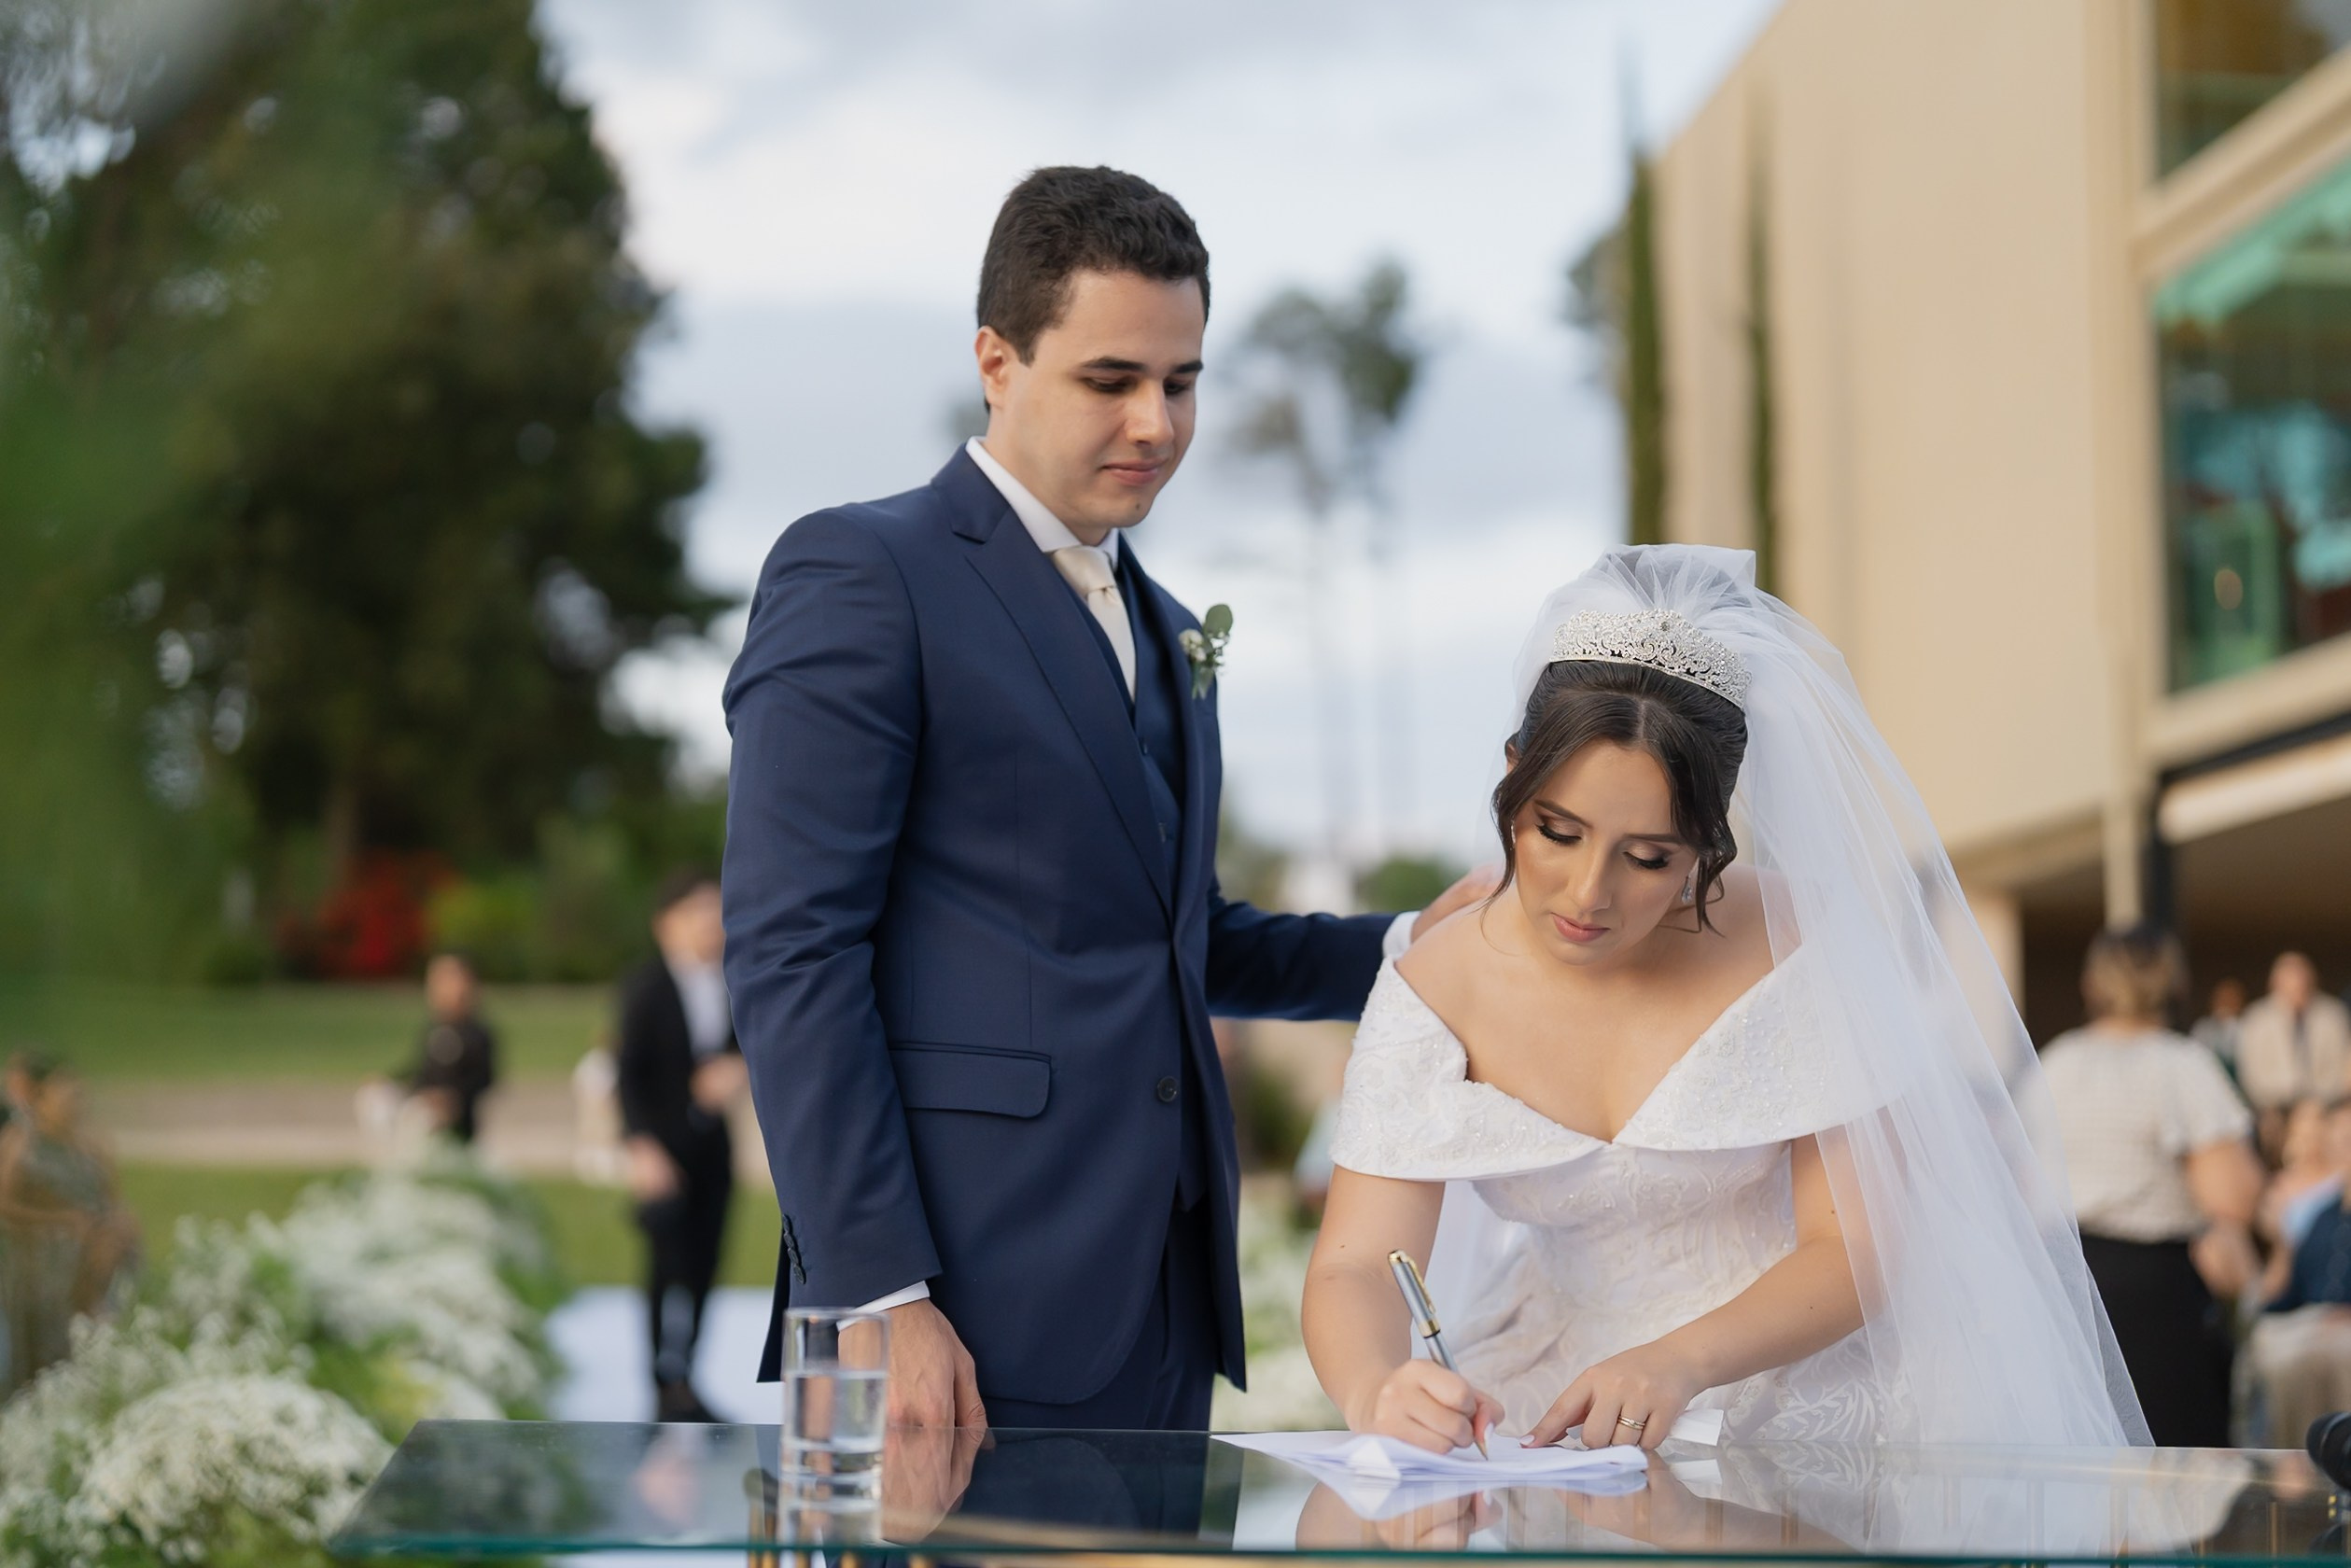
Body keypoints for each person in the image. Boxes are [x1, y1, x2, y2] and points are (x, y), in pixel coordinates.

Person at [722, 165, 1490, 1433]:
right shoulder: (863, 572)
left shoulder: (1174, 631)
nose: (1157, 423)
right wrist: (878, 1299)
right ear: (996, 360)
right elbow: (792, 950)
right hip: (944, 1313)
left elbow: (1176, 940)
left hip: (1158, 1312)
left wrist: (1430, 948)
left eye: (1181, 382)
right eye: (1110, 380)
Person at [1301, 544, 2147, 1452]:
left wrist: (1680, 1361)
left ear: (1709, 839)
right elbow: (1352, 1265)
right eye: (1557, 832)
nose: (1588, 893)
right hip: (1546, 1400)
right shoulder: (1433, 988)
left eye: (1650, 857)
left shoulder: (1802, 944)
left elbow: (1855, 1246)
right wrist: (1374, 1389)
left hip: (1802, 1381)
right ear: (1511, 774)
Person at [2037, 927, 2264, 1446]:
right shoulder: (2179, 1064)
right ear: (2173, 980)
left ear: (2091, 983)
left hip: (2061, 1285)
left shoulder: (2055, 1063)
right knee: (2169, 1469)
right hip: (2152, 1294)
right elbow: (2231, 1196)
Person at [616, 871, 746, 1423]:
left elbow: (746, 1048)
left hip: (712, 1149)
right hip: (662, 1153)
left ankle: (687, 1376)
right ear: (666, 924)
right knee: (663, 1266)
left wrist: (735, 1070)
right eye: (697, 911)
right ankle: (660, 1380)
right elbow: (626, 1074)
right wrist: (641, 1147)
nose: (709, 924)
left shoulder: (735, 982)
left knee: (706, 1264)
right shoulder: (645, 986)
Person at [0, 1055, 140, 1395]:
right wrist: (61, 1221)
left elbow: (112, 1200)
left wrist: (117, 1225)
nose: (72, 1104)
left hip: (89, 1258)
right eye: (62, 1097)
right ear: (41, 1101)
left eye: (77, 1096)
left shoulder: (93, 1146)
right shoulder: (22, 1143)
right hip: (35, 1261)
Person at [2248, 1100, 2351, 1445]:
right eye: (2335, 1136)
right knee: (2279, 1349)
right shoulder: (2321, 1216)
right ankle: (2296, 1462)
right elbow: (2286, 1291)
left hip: (2338, 1330)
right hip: (2311, 1322)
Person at [2238, 952, 2351, 1155]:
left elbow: (2342, 1070)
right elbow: (2252, 1078)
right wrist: (2285, 1098)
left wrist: (2315, 1102)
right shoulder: (2257, 1019)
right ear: (2276, 984)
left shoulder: (2332, 1016)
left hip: (2323, 1104)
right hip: (2275, 1106)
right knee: (2268, 1128)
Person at [398, 951, 498, 1145]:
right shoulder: (434, 1028)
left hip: (456, 1113)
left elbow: (485, 1078)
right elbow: (420, 1070)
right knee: (380, 1098)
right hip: (425, 1101)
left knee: (422, 1117)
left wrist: (453, 1097)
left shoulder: (476, 1032)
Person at [2192, 976, 2248, 1079]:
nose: (2226, 1003)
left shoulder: (2247, 1027)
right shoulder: (2203, 1027)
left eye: (2231, 999)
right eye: (2222, 998)